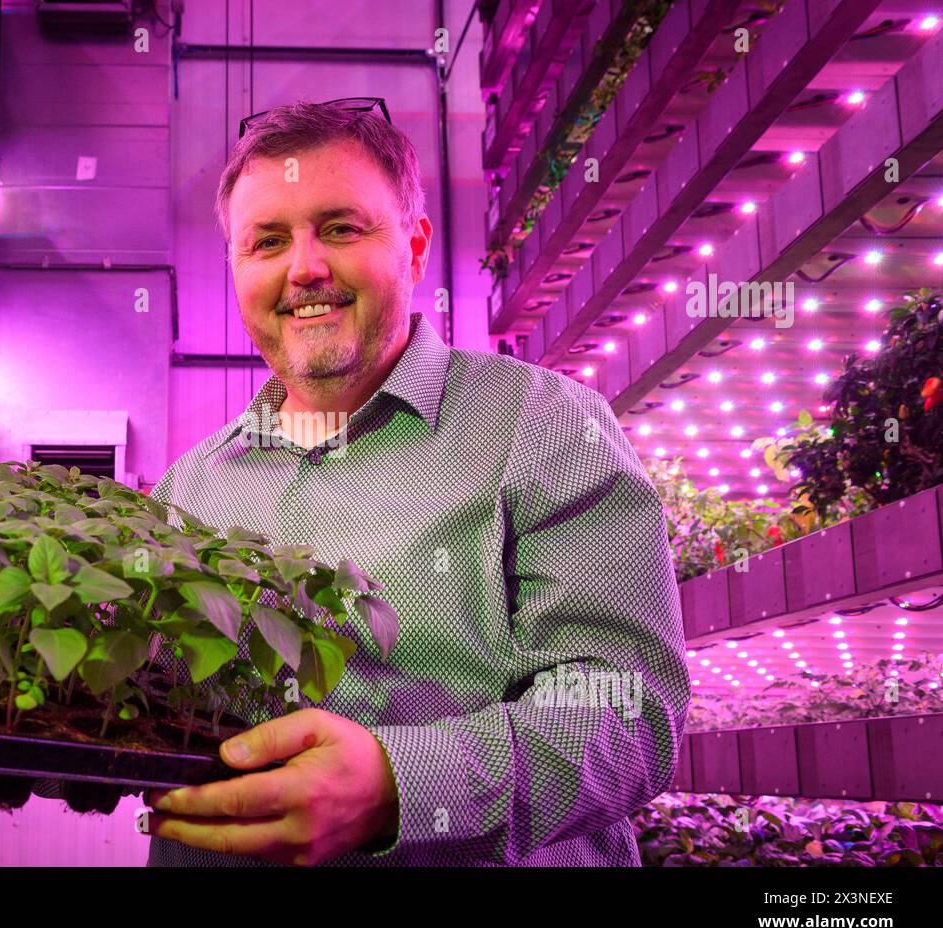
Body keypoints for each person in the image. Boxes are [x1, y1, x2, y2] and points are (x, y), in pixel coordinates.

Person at [142, 99, 689, 866]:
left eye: (341, 228)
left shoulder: (545, 427)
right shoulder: (187, 490)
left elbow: (629, 711)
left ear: (416, 248)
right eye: (267, 242)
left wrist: (402, 783)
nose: (304, 267)